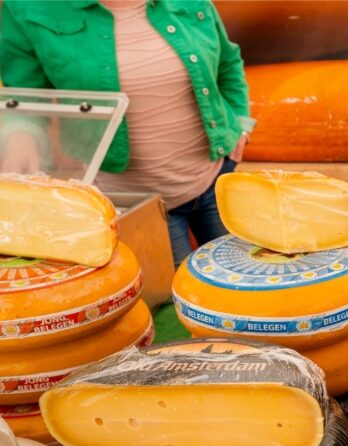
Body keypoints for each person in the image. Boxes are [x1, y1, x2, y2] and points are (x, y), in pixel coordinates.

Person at [0, 0, 254, 266]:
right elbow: (24, 99)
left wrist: (241, 122)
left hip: (216, 177)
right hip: (135, 202)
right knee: (176, 299)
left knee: (246, 279)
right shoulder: (26, 8)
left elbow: (228, 63)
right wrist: (21, 135)